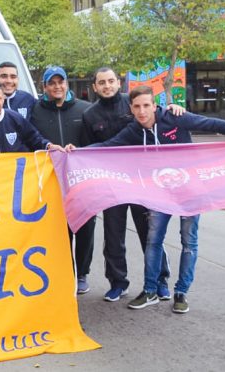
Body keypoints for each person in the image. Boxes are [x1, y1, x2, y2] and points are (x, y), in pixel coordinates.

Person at [75, 85, 225, 313]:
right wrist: (75, 153)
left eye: (146, 105)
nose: (142, 111)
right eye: (137, 107)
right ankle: (150, 290)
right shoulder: (134, 131)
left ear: (154, 105)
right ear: (131, 108)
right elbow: (106, 148)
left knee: (188, 242)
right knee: (153, 241)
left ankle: (181, 292)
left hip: (190, 190)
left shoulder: (175, 118)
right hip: (159, 194)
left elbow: (214, 124)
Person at [81, 67, 178, 303]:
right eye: (101, 82)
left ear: (119, 82)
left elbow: (159, 116)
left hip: (141, 181)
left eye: (111, 81)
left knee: (150, 233)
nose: (107, 86)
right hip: (111, 183)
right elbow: (89, 151)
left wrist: (175, 109)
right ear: (95, 87)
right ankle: (117, 283)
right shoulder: (89, 115)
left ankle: (160, 281)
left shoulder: (133, 103)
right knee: (113, 235)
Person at [29, 66, 95, 295]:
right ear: (44, 87)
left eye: (61, 82)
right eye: (52, 83)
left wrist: (79, 150)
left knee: (85, 227)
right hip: (50, 181)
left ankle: (83, 273)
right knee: (59, 230)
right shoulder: (35, 110)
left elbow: (95, 142)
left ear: (67, 84)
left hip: (80, 180)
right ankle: (66, 272)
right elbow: (30, 141)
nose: (57, 86)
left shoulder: (85, 109)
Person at [0, 80, 61, 153]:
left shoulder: (15, 118)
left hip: (17, 180)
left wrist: (49, 146)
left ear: (3, 99)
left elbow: (34, 139)